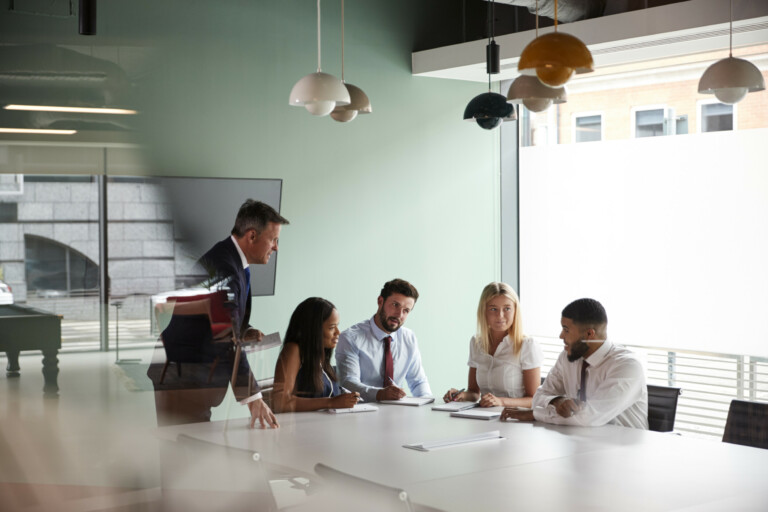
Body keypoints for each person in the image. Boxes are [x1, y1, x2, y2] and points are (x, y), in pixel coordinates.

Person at [152, 199, 289, 429]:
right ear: (252, 236)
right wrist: (254, 398)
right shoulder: (225, 268)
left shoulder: (233, 261)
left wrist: (244, 330)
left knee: (189, 453)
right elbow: (227, 336)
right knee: (183, 454)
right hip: (182, 377)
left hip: (190, 375)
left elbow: (220, 320)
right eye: (274, 240)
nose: (276, 247)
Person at [501, 298, 648, 429]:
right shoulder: (568, 357)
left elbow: (589, 417)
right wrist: (558, 401)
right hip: (582, 443)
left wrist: (536, 414)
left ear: (589, 334)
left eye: (566, 330)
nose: (561, 336)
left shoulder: (627, 366)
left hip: (627, 452)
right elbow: (539, 397)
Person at [443, 282, 542, 408]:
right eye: (493, 309)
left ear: (515, 310)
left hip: (514, 420)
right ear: (484, 311)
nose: (500, 316)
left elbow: (534, 399)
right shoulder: (476, 343)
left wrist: (501, 402)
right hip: (483, 418)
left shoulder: (527, 345)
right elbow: (474, 393)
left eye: (507, 309)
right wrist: (461, 396)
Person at [335, 278, 432, 403]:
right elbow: (348, 383)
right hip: (361, 412)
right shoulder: (350, 338)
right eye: (395, 305)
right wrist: (380, 394)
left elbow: (418, 382)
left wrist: (427, 402)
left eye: (406, 311)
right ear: (380, 301)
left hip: (398, 413)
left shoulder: (409, 338)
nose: (399, 315)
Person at [271, 297, 360, 413]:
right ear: (314, 329)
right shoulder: (294, 350)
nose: (338, 332)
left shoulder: (318, 357)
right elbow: (281, 402)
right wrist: (331, 402)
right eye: (332, 327)